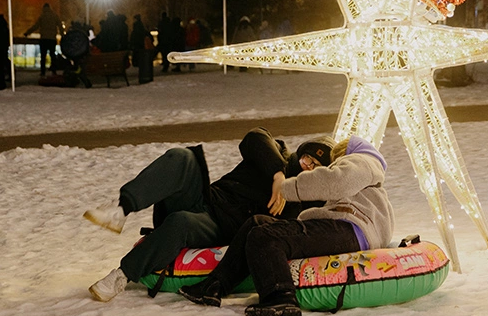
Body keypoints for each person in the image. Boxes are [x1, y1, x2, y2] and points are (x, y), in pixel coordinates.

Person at [84, 129, 335, 302]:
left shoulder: (306, 197)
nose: (308, 167)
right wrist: (277, 174)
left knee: (180, 222)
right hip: (207, 199)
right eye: (307, 159)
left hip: (217, 226)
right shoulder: (277, 153)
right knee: (183, 157)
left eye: (316, 167)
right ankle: (121, 210)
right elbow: (255, 136)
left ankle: (121, 276)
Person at [179, 136, 395, 316]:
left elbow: (336, 181)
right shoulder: (367, 174)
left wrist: (285, 188)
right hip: (346, 228)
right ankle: (214, 286)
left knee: (266, 237)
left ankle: (280, 298)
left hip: (349, 229)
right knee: (258, 223)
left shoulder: (362, 160)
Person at [34, 3, 61, 76]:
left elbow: (36, 26)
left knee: (43, 56)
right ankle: (54, 71)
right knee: (53, 56)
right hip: (52, 38)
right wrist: (63, 35)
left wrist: (27, 32)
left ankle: (43, 72)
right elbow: (60, 25)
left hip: (44, 39)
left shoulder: (42, 16)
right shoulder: (54, 16)